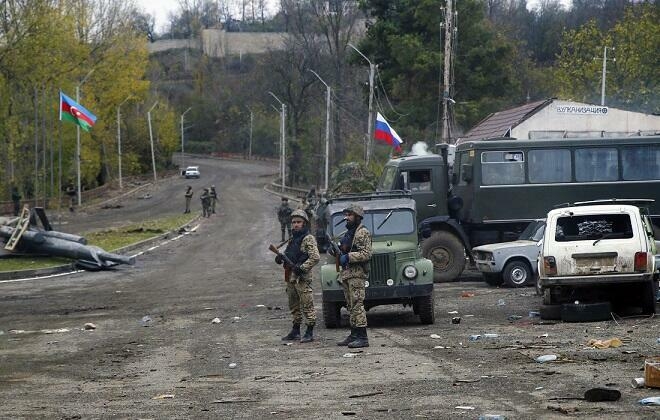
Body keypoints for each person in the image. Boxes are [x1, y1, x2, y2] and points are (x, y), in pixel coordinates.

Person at [275, 209, 320, 343]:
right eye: (293, 222)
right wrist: (280, 258)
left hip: (302, 278)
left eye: (298, 222)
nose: (295, 225)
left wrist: (301, 268)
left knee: (307, 305)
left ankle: (309, 331)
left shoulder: (308, 238)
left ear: (304, 223)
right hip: (291, 277)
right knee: (293, 305)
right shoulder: (293, 238)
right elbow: (289, 255)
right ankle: (295, 330)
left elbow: (315, 257)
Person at [332, 203, 372, 348]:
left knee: (357, 304)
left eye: (349, 215)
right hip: (347, 274)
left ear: (357, 217)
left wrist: (348, 257)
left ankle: (362, 337)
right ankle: (354, 334)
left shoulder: (362, 232)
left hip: (356, 274)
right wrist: (336, 252)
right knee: (350, 305)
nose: (346, 218)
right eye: (346, 215)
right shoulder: (349, 233)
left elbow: (366, 253)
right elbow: (344, 249)